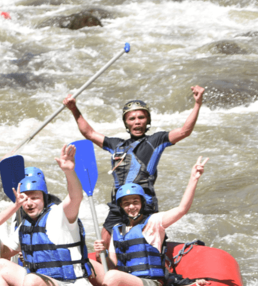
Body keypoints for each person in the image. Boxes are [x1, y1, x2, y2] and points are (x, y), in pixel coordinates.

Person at [63, 86, 205, 251]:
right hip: (119, 203)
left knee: (146, 243)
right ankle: (108, 271)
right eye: (132, 118)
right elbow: (89, 133)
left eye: (141, 117)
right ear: (126, 123)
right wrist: (74, 109)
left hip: (144, 203)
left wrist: (197, 104)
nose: (137, 121)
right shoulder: (116, 145)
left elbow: (184, 131)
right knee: (104, 241)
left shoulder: (156, 141)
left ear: (147, 121)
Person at [0, 144, 94, 286]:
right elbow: (3, 254)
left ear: (44, 199)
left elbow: (75, 197)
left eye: (35, 197)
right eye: (25, 198)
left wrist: (69, 171)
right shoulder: (24, 226)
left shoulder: (60, 215)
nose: (29, 203)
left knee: (32, 279)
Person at [92, 157, 209, 286]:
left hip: (150, 284)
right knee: (88, 264)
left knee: (113, 276)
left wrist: (193, 179)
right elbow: (112, 266)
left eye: (135, 202)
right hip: (125, 281)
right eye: (126, 203)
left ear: (142, 204)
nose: (131, 207)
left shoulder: (154, 222)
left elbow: (181, 209)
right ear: (121, 207)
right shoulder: (117, 230)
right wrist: (102, 254)